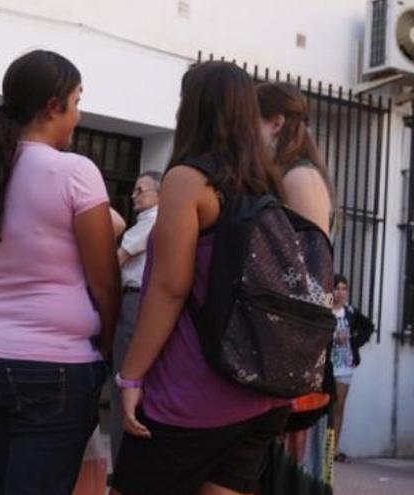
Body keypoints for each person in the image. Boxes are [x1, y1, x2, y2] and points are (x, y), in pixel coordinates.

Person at [113, 62, 290, 495]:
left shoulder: (188, 180)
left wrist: (131, 377)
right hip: (259, 392)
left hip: (191, 390)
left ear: (192, 108)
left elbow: (170, 288)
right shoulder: (269, 184)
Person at [0, 50, 119, 494]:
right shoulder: (75, 172)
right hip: (56, 367)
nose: (78, 114)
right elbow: (104, 279)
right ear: (54, 106)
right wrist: (105, 346)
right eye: (77, 100)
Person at [255, 81, 336, 494]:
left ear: (276, 123)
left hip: (295, 357)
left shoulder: (299, 178)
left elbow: (306, 277)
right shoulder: (290, 174)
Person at [108, 171, 160, 463]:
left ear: (158, 195)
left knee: (124, 380)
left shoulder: (152, 220)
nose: (134, 195)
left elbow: (117, 260)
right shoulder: (153, 221)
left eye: (141, 190)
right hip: (143, 302)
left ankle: (121, 460)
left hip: (135, 301)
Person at [330, 273, 374, 463]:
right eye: (337, 288)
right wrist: (333, 339)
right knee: (325, 406)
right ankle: (321, 448)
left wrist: (354, 341)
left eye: (343, 289)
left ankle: (333, 449)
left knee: (339, 406)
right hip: (327, 364)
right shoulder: (324, 311)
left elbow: (369, 327)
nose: (340, 292)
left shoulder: (350, 312)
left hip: (345, 365)